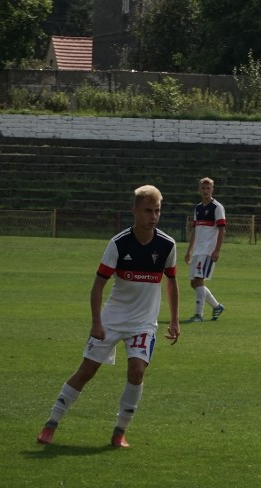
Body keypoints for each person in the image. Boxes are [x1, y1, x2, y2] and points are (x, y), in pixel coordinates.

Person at [37, 185, 180, 448]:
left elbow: (171, 282)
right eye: (148, 211)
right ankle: (50, 425)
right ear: (135, 211)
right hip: (112, 320)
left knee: (137, 372)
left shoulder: (167, 245)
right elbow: (98, 286)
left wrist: (174, 319)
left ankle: (119, 433)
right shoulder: (118, 244)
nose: (153, 216)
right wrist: (96, 322)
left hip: (143, 324)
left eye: (157, 211)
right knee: (86, 371)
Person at [184, 177, 227, 322]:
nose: (206, 191)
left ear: (212, 189)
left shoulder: (217, 207)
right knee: (193, 283)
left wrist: (217, 250)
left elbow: (222, 231)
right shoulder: (198, 208)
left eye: (208, 188)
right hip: (197, 250)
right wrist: (189, 250)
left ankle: (198, 315)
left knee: (198, 280)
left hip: (208, 250)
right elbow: (195, 230)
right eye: (203, 188)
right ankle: (216, 306)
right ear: (199, 190)